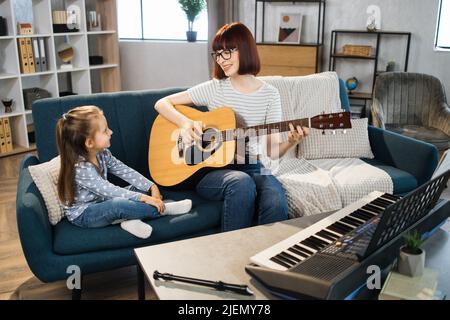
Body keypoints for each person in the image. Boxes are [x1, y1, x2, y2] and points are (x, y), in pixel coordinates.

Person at [154, 22, 309, 232]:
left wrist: (291, 142)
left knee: (275, 200)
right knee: (241, 182)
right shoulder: (215, 88)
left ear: (245, 49)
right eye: (217, 54)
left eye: (227, 52)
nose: (221, 60)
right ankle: (231, 255)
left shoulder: (270, 94)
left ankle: (265, 260)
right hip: (211, 170)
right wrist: (186, 123)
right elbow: (161, 103)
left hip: (254, 165)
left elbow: (271, 151)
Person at [56, 105, 192, 239]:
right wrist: (145, 199)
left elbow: (124, 171)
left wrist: (151, 187)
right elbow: (109, 190)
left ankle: (129, 220)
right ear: (89, 142)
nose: (111, 132)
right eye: (105, 131)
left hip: (103, 201)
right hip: (85, 214)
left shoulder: (102, 154)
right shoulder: (80, 168)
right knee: (118, 204)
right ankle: (164, 210)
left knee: (138, 189)